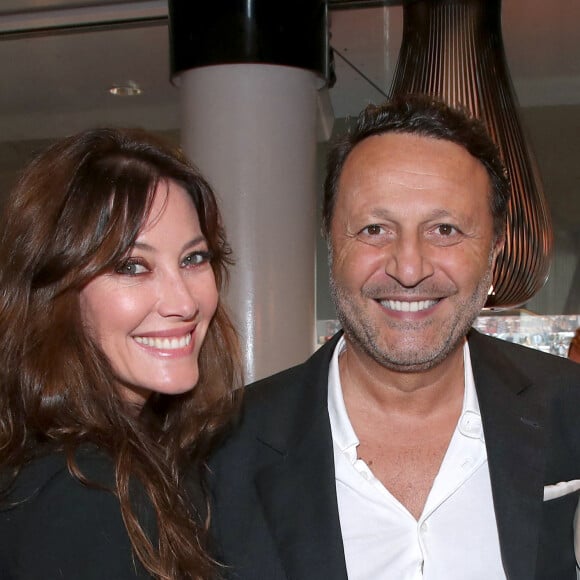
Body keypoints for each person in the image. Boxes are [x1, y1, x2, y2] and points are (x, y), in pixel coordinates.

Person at [208, 95, 580, 580]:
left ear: (494, 252)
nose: (408, 268)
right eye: (375, 228)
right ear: (331, 243)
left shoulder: (569, 408)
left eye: (445, 229)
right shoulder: (220, 452)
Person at [0, 128, 243, 579]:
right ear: (55, 293)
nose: (183, 302)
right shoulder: (87, 492)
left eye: (193, 259)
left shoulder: (74, 457)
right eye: (132, 266)